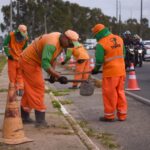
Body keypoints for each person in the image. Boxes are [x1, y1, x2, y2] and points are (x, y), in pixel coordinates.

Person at [19, 30, 78, 127]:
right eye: (70, 43)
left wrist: (53, 75)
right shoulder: (52, 43)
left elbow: (53, 58)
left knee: (31, 89)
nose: (70, 46)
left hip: (32, 61)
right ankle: (40, 121)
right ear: (64, 38)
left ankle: (25, 117)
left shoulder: (60, 42)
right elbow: (45, 63)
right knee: (38, 88)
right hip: (28, 62)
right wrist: (59, 76)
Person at [91, 23, 127, 122]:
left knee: (109, 94)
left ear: (98, 33)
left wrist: (95, 70)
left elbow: (99, 61)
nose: (95, 38)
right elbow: (124, 53)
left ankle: (109, 116)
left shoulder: (101, 43)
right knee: (120, 93)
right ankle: (122, 115)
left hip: (110, 73)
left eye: (95, 35)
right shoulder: (119, 38)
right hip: (121, 71)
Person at [3, 24, 28, 96]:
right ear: (18, 31)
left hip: (20, 59)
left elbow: (25, 49)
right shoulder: (11, 35)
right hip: (12, 59)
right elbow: (5, 45)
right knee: (12, 76)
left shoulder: (26, 38)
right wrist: (8, 55)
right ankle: (13, 90)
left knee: (20, 75)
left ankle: (20, 89)